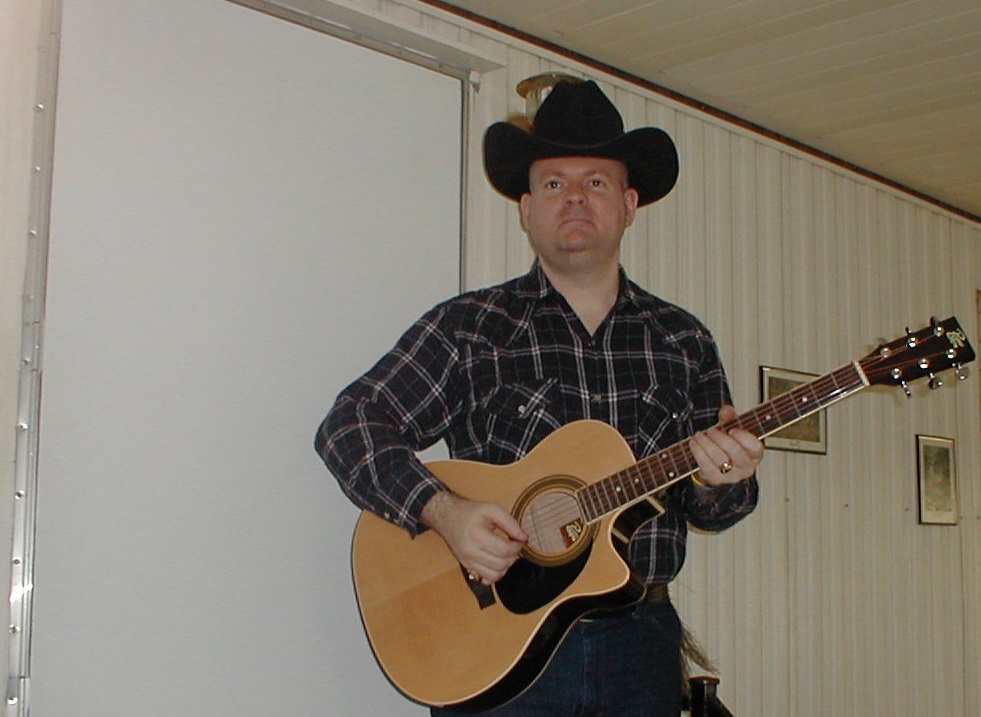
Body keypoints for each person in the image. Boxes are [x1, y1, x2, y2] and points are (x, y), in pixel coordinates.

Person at [316, 79, 763, 717]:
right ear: (527, 209)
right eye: (554, 183)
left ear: (629, 205)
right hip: (494, 641)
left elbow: (714, 508)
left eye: (596, 181)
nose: (575, 197)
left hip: (640, 644)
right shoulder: (471, 327)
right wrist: (445, 513)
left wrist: (724, 479)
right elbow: (350, 425)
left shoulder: (683, 339)